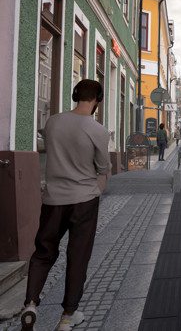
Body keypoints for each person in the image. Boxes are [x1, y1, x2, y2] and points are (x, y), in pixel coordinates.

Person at [21, 80, 110, 331]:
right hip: (84, 200)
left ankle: (30, 304)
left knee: (43, 252)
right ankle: (67, 316)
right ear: (97, 100)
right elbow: (103, 168)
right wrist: (97, 185)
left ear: (74, 96)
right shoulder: (98, 130)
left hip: (53, 199)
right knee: (78, 256)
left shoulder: (52, 123)